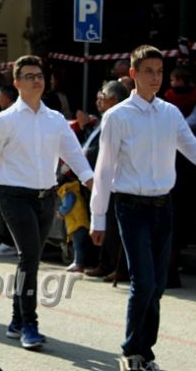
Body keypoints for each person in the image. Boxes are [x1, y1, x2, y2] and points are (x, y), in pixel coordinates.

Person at [89, 45, 196, 371]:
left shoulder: (170, 113)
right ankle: (131, 351)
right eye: (148, 71)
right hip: (131, 208)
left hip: (163, 206)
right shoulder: (117, 116)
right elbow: (104, 169)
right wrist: (98, 217)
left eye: (159, 71)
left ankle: (146, 352)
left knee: (157, 285)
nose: (155, 77)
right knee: (143, 282)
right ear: (133, 74)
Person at [0, 55, 93, 351]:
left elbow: (73, 153)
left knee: (31, 259)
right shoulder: (3, 121)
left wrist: (91, 179)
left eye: (39, 76)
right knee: (29, 256)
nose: (36, 80)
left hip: (46, 196)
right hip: (13, 196)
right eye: (29, 76)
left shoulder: (56, 120)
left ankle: (16, 320)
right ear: (16, 83)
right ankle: (29, 324)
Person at [82, 81, 130, 283]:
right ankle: (104, 264)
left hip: (117, 182)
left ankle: (118, 268)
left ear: (113, 99)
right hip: (99, 180)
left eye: (102, 97)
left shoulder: (120, 119)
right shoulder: (103, 119)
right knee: (105, 226)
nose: (98, 101)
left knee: (115, 230)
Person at [0, 84, 19, 257]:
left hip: (9, 176)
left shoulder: (4, 119)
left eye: (0, 96)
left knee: (9, 212)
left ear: (7, 98)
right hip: (8, 174)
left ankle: (10, 243)